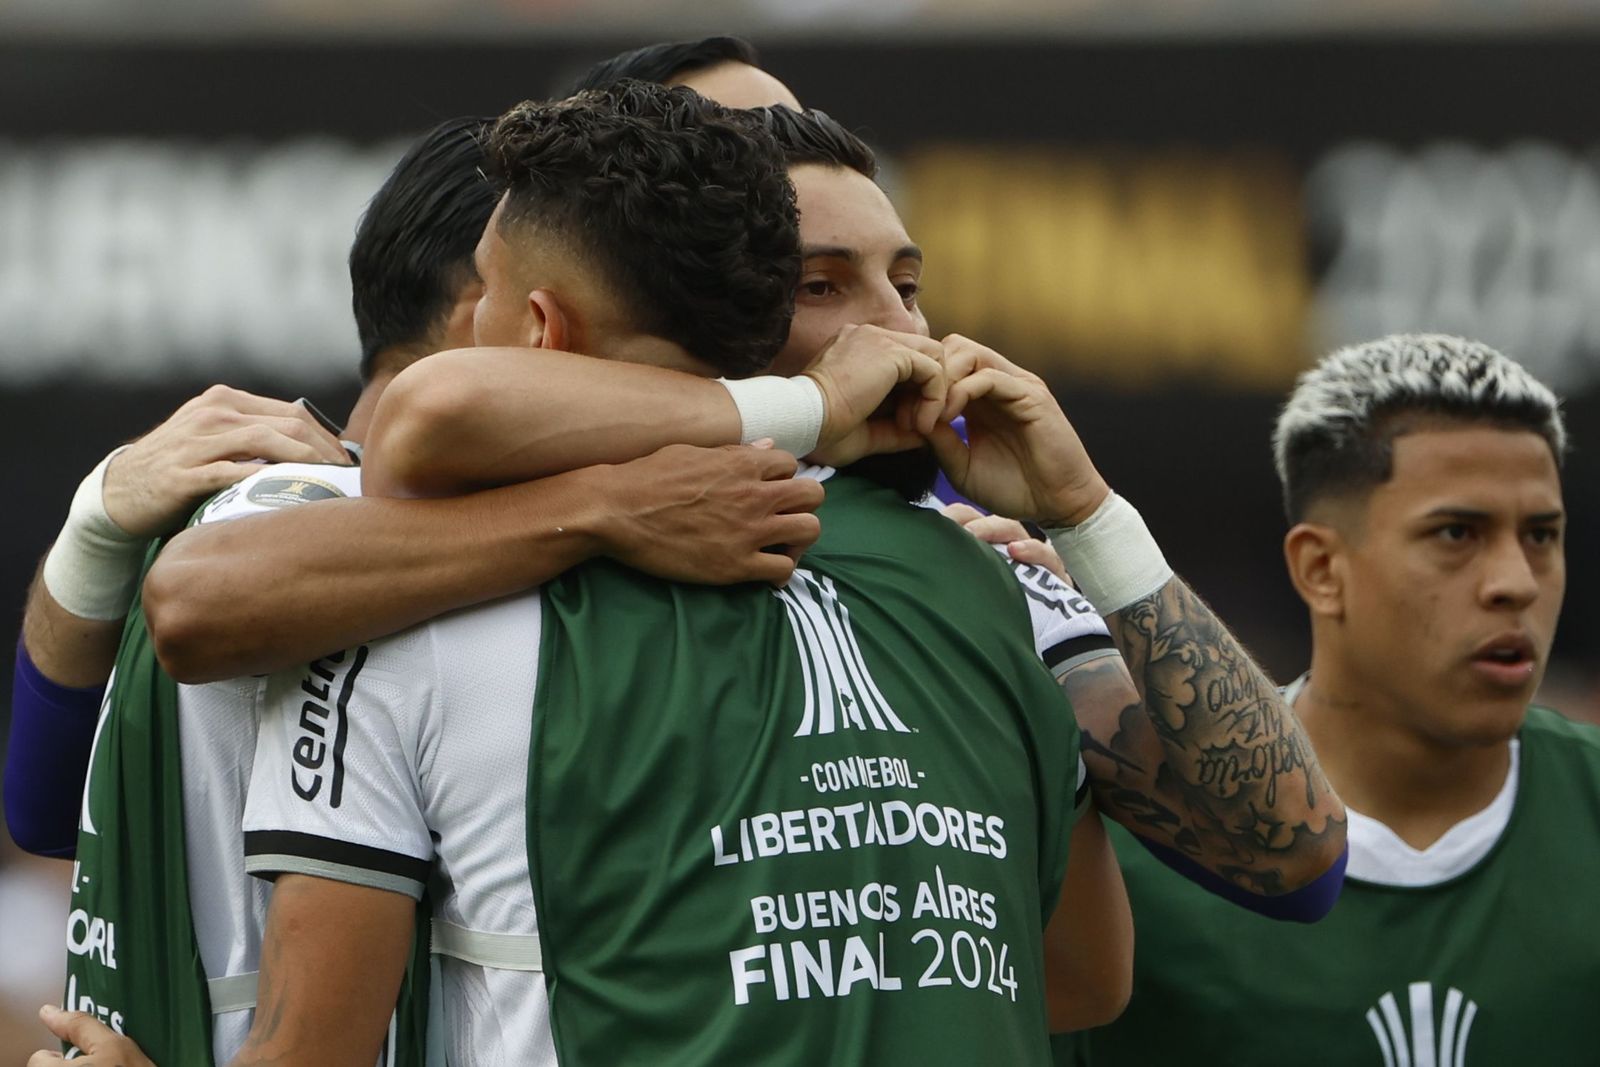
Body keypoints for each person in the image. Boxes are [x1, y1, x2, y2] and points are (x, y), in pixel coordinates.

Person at [226, 83, 1126, 1067]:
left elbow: (308, 1046)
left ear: (540, 328)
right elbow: (1085, 976)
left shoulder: (407, 608)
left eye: (483, 291)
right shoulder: (984, 575)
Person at [1059, 334, 1598, 1065]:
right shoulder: (1140, 841)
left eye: (1541, 535)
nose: (1517, 582)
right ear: (1320, 569)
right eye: (1456, 533)